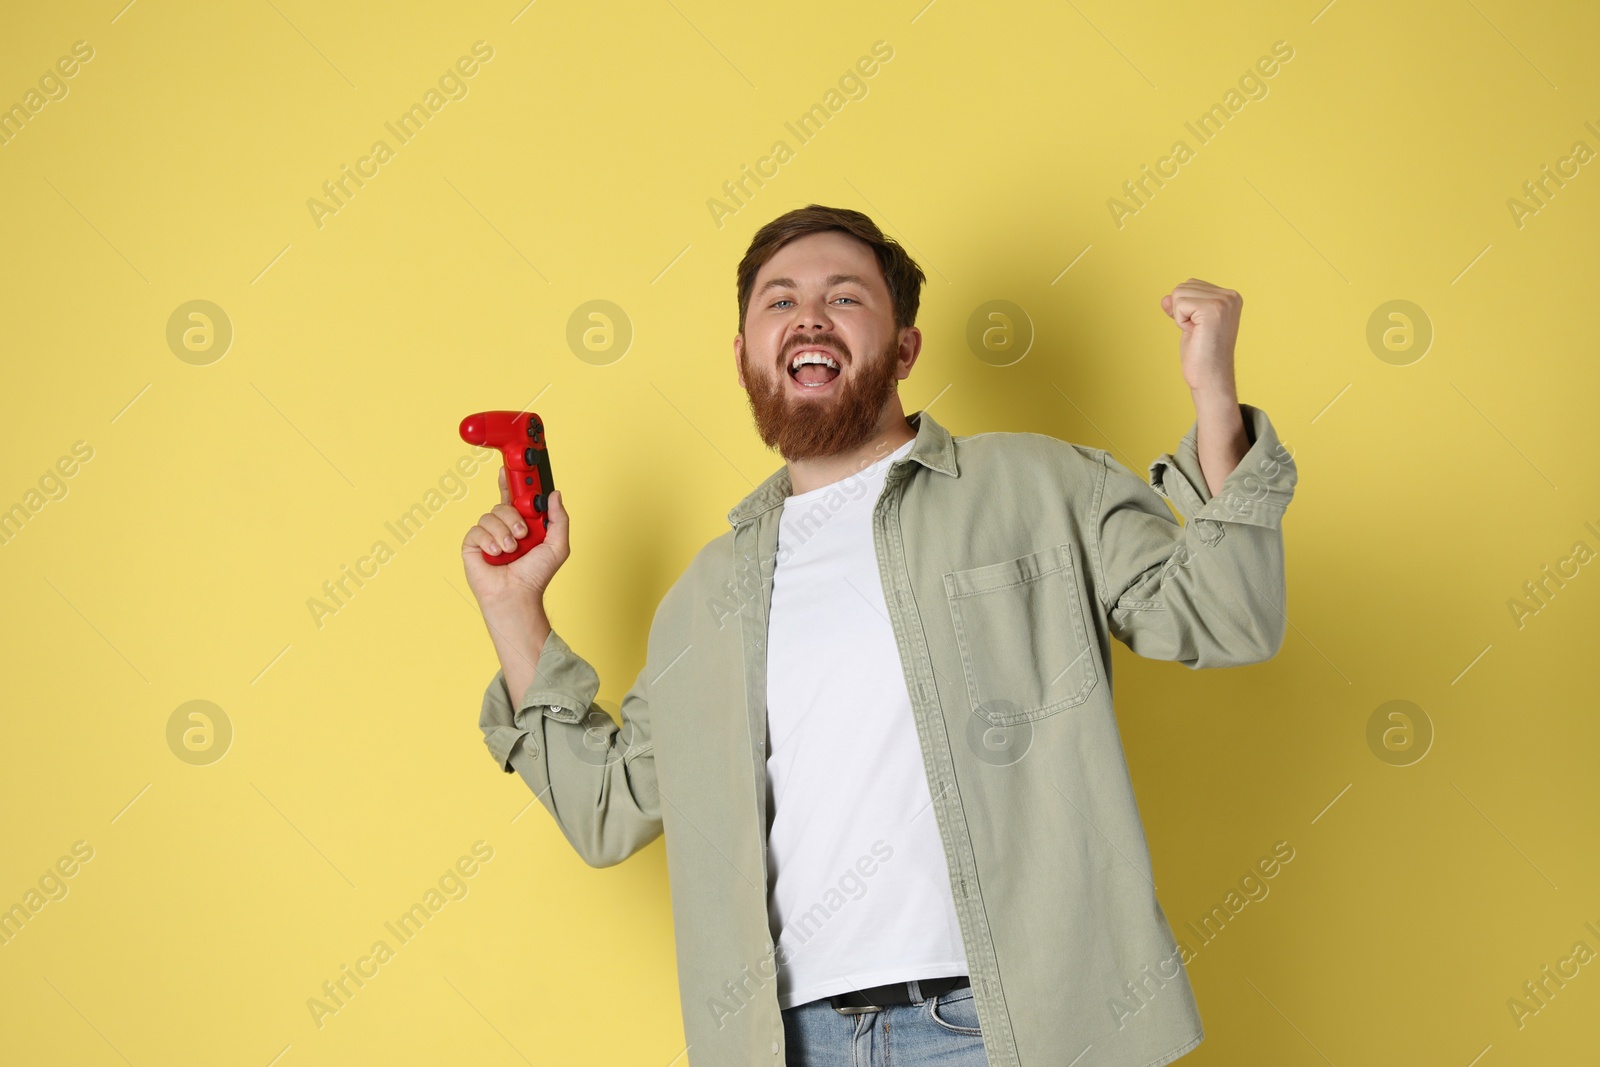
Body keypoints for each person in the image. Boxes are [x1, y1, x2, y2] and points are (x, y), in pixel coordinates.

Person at [464, 204, 1298, 1067]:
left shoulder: (1040, 485)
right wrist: (513, 607)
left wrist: (1214, 396)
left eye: (845, 297)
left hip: (1015, 1026)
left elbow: (1227, 615)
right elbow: (609, 808)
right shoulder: (705, 598)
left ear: (904, 349)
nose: (809, 317)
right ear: (746, 353)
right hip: (794, 1042)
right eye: (779, 303)